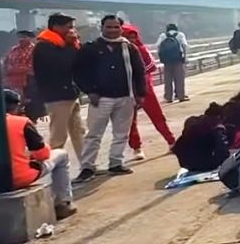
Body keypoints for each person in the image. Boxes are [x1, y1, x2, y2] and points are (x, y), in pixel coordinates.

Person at [0, 89, 76, 220]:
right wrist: (28, 155)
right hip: (17, 177)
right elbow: (43, 155)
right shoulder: (21, 122)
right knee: (61, 155)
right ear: (13, 107)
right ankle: (63, 204)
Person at [74, 15, 148, 182]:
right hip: (100, 98)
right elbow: (79, 72)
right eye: (109, 27)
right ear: (102, 28)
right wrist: (89, 91)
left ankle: (116, 163)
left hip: (125, 97)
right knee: (94, 135)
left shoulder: (129, 48)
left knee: (121, 133)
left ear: (121, 29)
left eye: (116, 27)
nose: (113, 30)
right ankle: (87, 167)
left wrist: (141, 94)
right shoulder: (90, 48)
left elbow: (139, 71)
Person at [32, 13, 85, 174]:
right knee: (58, 136)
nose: (71, 31)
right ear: (56, 27)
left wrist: (73, 44)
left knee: (79, 132)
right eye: (68, 27)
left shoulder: (63, 44)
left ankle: (87, 164)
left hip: (70, 94)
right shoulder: (44, 46)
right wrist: (71, 45)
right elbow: (63, 65)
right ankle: (54, 169)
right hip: (57, 96)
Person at [121, 24, 175, 160]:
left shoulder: (141, 49)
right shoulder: (119, 52)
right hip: (127, 91)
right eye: (128, 37)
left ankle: (171, 141)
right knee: (130, 121)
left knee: (157, 115)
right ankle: (136, 147)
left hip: (145, 89)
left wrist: (140, 78)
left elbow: (151, 66)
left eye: (134, 36)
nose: (132, 39)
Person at [172, 102, 229, 173]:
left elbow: (179, 144)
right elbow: (222, 150)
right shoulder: (217, 127)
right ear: (219, 116)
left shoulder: (191, 121)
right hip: (204, 164)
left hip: (184, 162)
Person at [156, 23, 190, 103]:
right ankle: (181, 96)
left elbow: (158, 45)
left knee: (168, 79)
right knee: (179, 79)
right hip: (178, 60)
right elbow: (185, 45)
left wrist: (161, 57)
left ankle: (168, 97)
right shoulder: (180, 35)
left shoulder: (163, 35)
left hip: (167, 61)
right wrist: (185, 57)